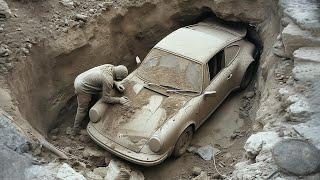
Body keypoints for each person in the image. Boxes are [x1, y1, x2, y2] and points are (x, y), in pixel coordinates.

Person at [72, 64, 130, 135]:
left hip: (81, 78)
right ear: (118, 77)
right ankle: (76, 129)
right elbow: (105, 99)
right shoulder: (108, 80)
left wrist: (116, 84)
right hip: (81, 87)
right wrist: (119, 100)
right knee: (82, 109)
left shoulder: (110, 66)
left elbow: (108, 78)